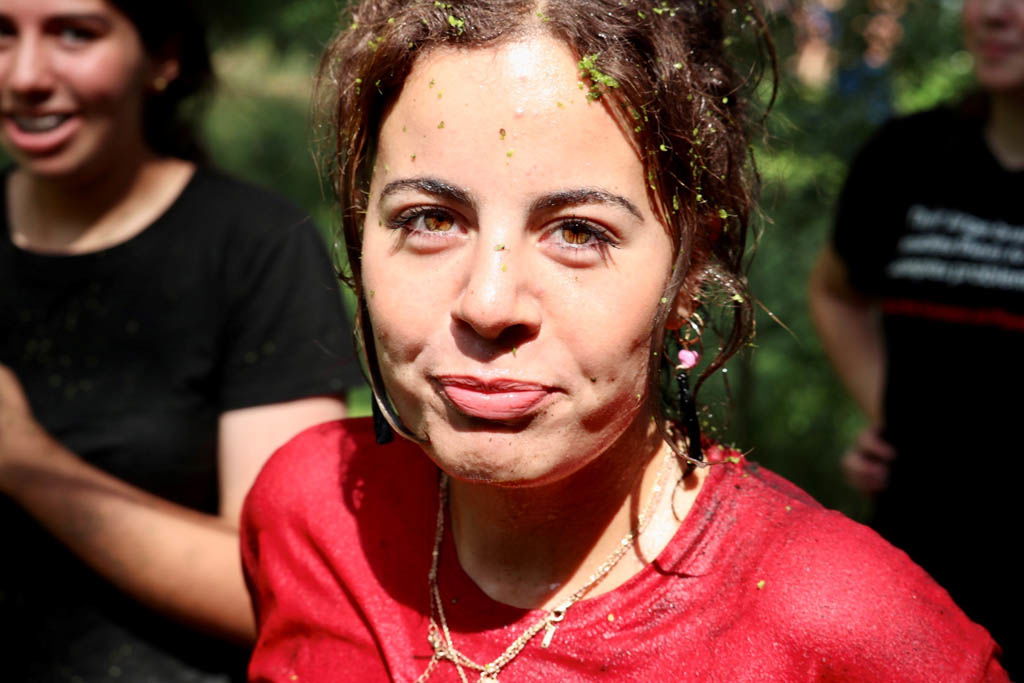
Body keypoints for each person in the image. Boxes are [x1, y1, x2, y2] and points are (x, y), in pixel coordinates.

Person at [242, 1, 1008, 681]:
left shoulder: (852, 630)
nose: (489, 303)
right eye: (431, 219)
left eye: (578, 232)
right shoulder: (309, 515)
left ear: (690, 270)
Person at [0, 1, 362, 680]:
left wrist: (25, 462)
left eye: (74, 34)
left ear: (163, 57)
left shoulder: (256, 247)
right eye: (0, 34)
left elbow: (286, 589)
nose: (25, 76)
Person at [809, 0, 1023, 675]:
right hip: (921, 569)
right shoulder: (907, 157)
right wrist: (891, 412)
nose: (993, 14)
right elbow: (835, 293)